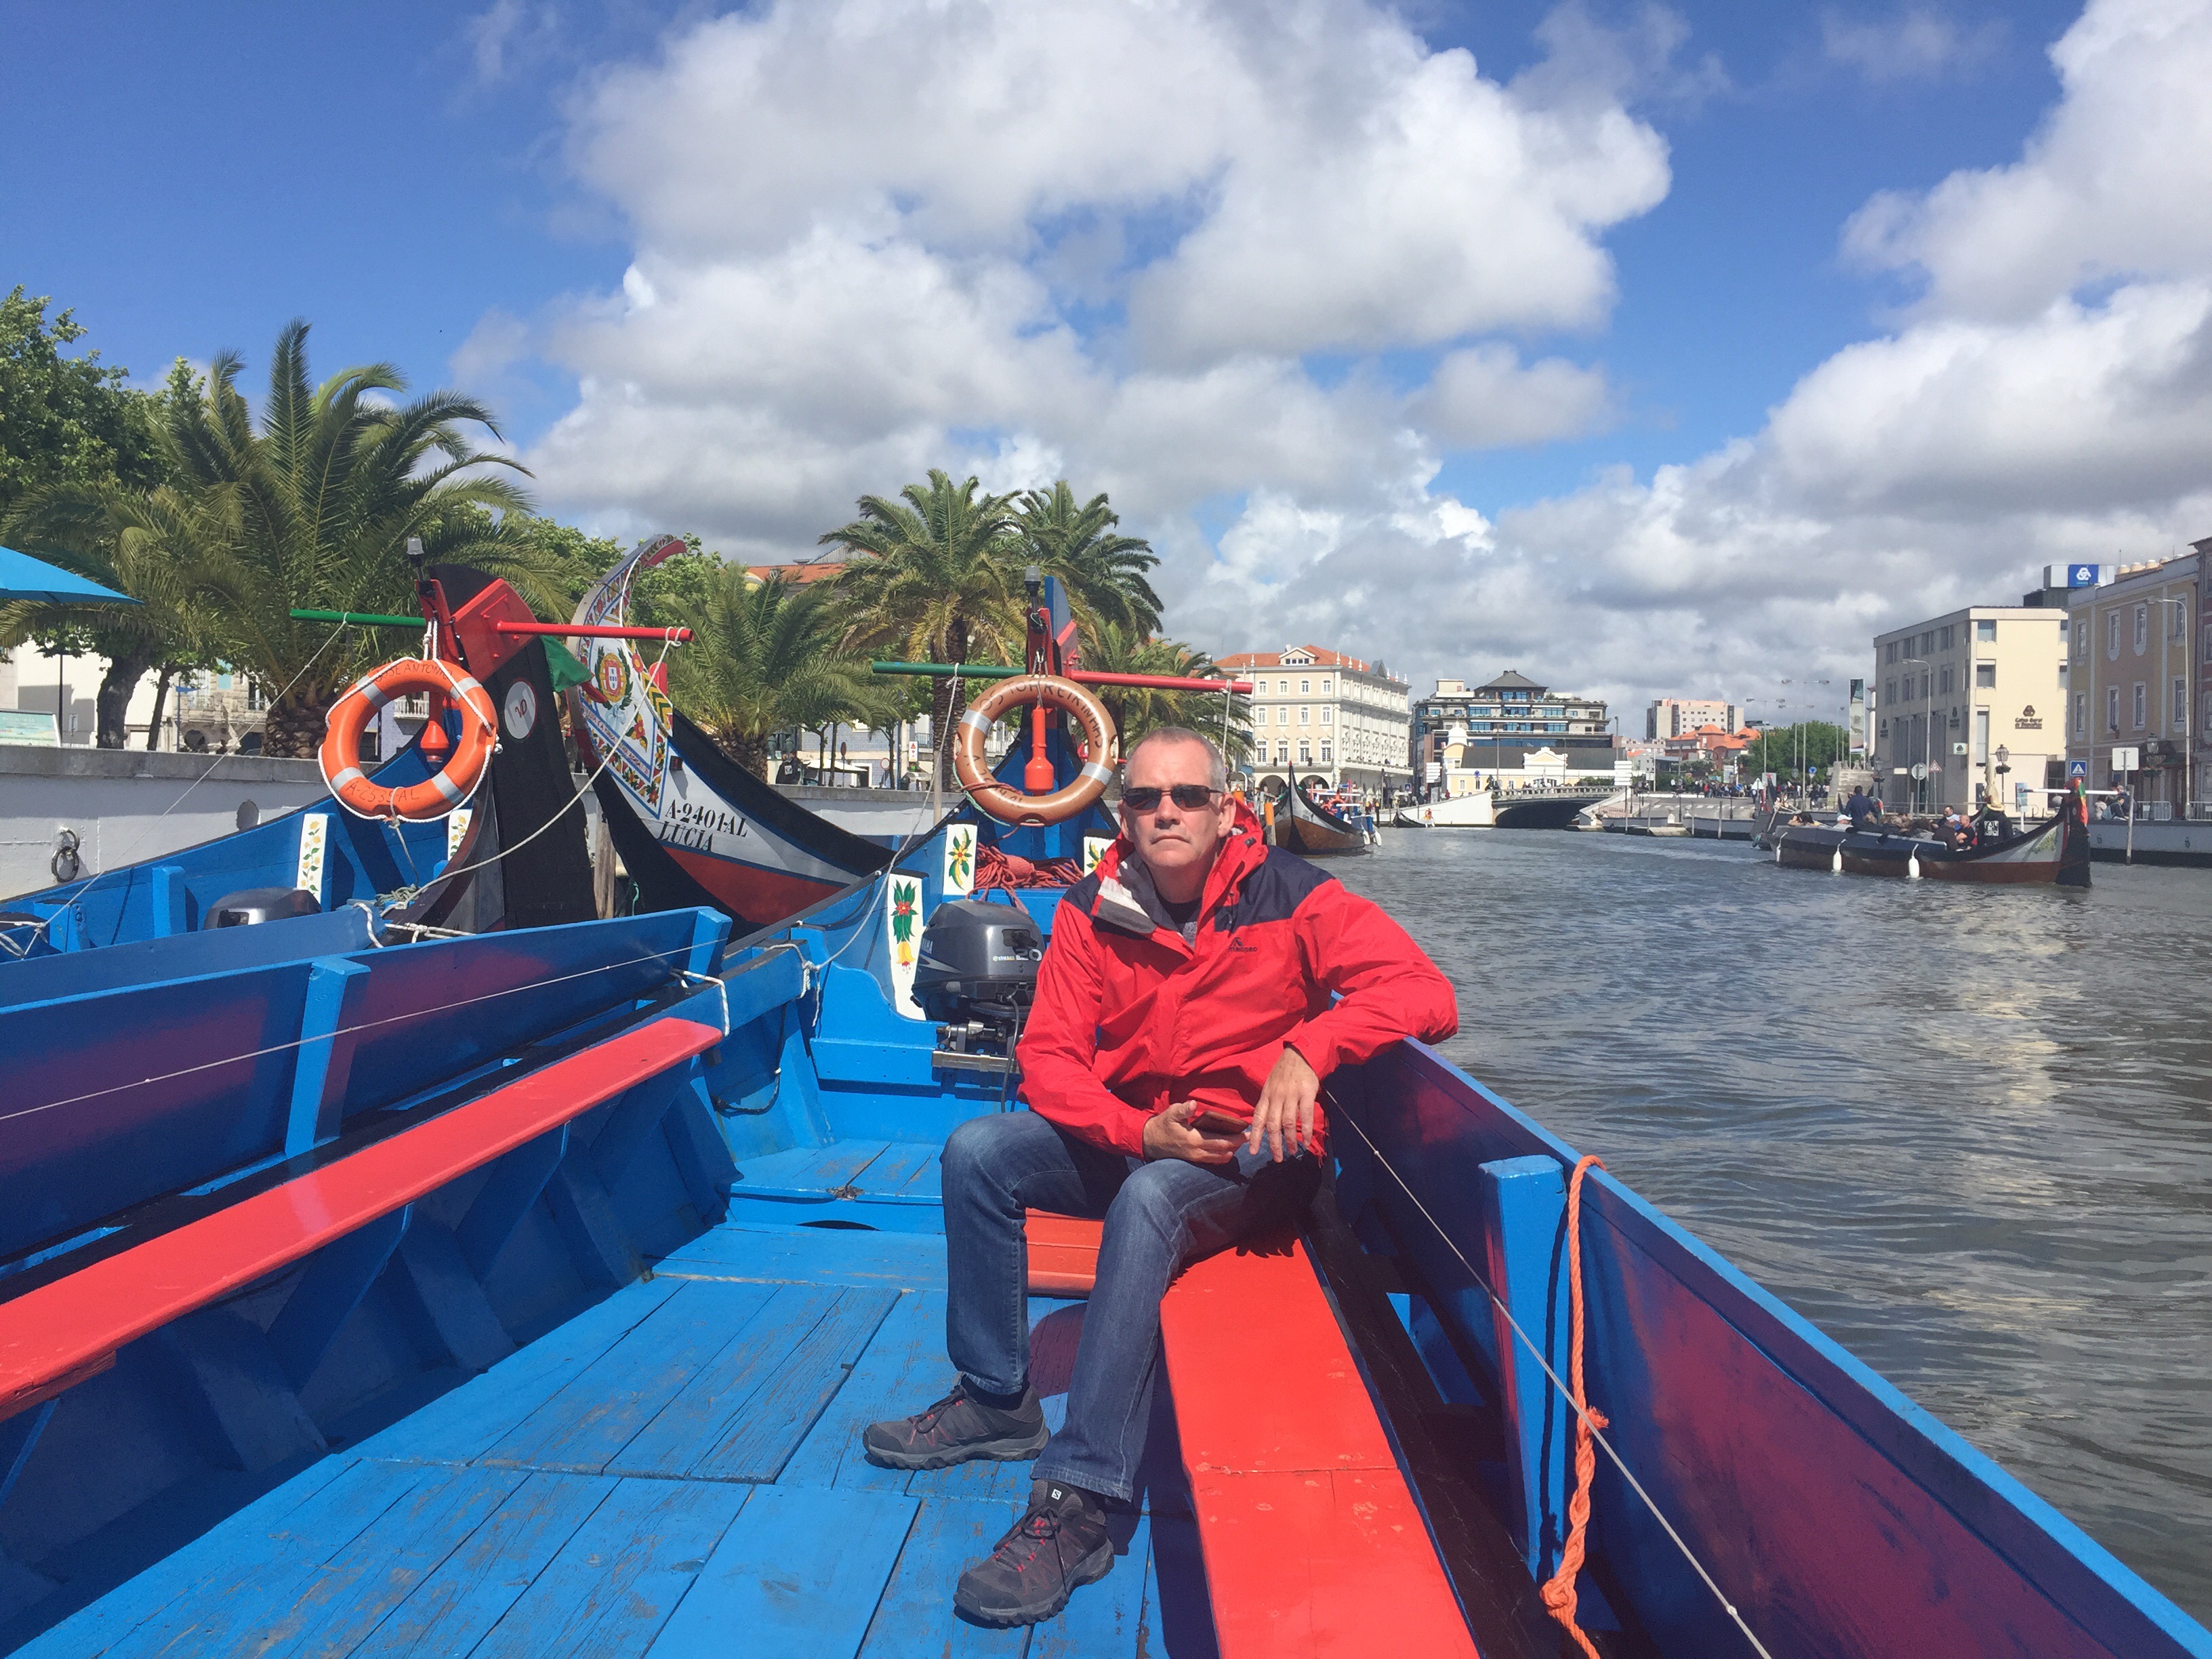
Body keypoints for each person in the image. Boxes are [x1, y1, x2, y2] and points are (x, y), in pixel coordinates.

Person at [862, 727, 1457, 1628]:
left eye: (1187, 796)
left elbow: (1427, 993)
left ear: (1225, 809)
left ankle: (1082, 1502)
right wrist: (1136, 1129)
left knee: (1148, 1201)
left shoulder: (1295, 896)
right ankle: (995, 1400)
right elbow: (1052, 1059)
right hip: (1141, 1136)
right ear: (1124, 815)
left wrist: (1311, 1046)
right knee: (978, 1152)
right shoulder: (1094, 909)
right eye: (1145, 798)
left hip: (1253, 1157)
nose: (1166, 812)